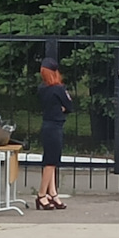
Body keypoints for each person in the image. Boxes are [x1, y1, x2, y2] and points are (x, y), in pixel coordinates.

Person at [36, 58, 74, 209]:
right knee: (51, 162)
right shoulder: (59, 89)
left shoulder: (42, 89)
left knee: (50, 160)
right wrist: (62, 108)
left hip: (46, 126)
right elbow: (69, 106)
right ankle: (41, 195)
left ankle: (53, 193)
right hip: (55, 127)